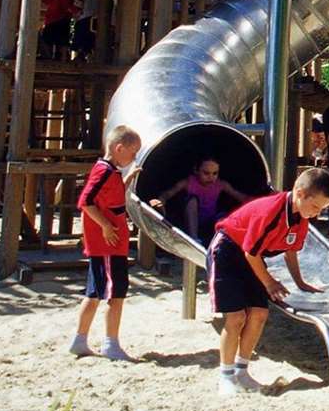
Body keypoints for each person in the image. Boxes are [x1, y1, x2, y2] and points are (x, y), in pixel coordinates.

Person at [207, 168, 329, 396]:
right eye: (315, 207)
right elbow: (250, 252)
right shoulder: (270, 211)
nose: (316, 214)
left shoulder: (301, 220)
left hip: (252, 257)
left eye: (322, 210)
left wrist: (300, 282)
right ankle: (225, 376)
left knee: (258, 314)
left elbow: (290, 251)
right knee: (236, 317)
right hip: (228, 251)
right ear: (300, 193)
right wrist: (268, 282)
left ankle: (242, 371)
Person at [69, 126, 142, 362]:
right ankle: (111, 343)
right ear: (119, 148)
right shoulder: (104, 172)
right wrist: (106, 226)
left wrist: (129, 178)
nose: (134, 157)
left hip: (109, 244)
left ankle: (79, 340)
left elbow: (110, 196)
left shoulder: (110, 171)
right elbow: (86, 201)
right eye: (133, 152)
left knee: (94, 292)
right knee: (115, 294)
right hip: (108, 245)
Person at [150, 157, 252, 242]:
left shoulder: (221, 184)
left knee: (225, 216)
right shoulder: (188, 182)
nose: (211, 177)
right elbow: (167, 194)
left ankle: (222, 241)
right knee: (192, 200)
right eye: (206, 173)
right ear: (196, 170)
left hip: (210, 222)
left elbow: (242, 197)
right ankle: (193, 237)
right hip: (189, 221)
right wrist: (160, 201)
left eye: (215, 173)